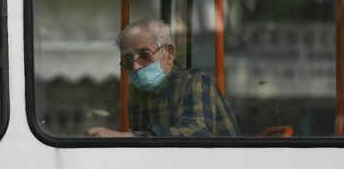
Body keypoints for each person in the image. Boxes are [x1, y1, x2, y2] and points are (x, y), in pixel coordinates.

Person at [86, 18, 241, 138]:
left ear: (170, 53)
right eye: (128, 60)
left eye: (145, 56)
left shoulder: (194, 82)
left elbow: (197, 134)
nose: (135, 67)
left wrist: (123, 137)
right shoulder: (138, 97)